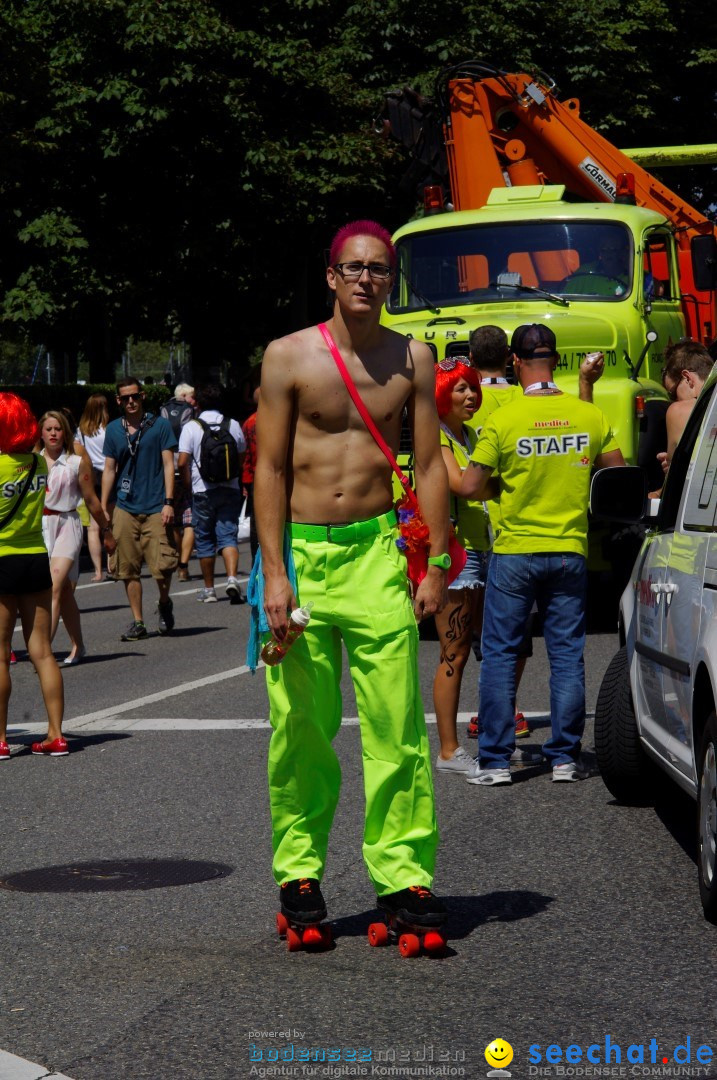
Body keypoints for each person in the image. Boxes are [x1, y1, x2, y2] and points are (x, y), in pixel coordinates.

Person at [254, 219, 449, 933]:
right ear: (331, 277)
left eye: (378, 270)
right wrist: (275, 576)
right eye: (354, 268)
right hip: (302, 557)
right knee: (301, 726)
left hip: (376, 555)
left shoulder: (413, 359)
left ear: (389, 281)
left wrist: (436, 566)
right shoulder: (287, 357)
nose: (366, 279)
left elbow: (427, 467)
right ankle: (299, 874)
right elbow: (269, 469)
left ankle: (402, 879)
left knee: (395, 726)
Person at [459, 323, 625, 785]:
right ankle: (565, 758)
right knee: (567, 655)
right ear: (556, 361)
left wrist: (505, 485)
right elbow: (617, 476)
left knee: (499, 654)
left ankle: (494, 761)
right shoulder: (587, 415)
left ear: (515, 363)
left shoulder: (505, 417)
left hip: (514, 551)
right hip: (569, 550)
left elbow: (471, 486)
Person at [432, 356, 491, 774]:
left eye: (473, 387)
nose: (471, 395)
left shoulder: (471, 434)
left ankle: (489, 736)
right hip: (457, 556)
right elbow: (460, 486)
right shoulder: (437, 439)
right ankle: (449, 750)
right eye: (460, 389)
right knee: (455, 650)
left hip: (487, 550)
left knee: (492, 647)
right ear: (442, 396)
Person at [0, 393, 67, 758]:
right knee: (42, 652)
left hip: (2, 559)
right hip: (35, 556)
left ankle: (1, 740)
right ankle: (56, 734)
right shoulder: (39, 465)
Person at [101, 378, 179, 641]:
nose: (130, 402)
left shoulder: (160, 426)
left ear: (143, 396)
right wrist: (103, 507)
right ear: (118, 401)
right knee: (127, 568)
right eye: (125, 398)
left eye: (134, 396)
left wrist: (169, 501)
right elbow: (109, 469)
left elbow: (169, 465)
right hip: (125, 506)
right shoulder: (113, 430)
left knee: (163, 565)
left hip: (157, 505)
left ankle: (165, 603)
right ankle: (138, 621)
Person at [38, 411, 115, 664]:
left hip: (68, 524)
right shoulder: (32, 462)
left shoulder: (75, 462)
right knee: (66, 594)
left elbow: (91, 500)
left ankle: (44, 654)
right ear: (41, 432)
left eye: (58, 429)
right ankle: (78, 645)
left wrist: (106, 530)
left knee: (54, 586)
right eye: (48, 429)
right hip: (40, 527)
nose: (53, 433)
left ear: (65, 433)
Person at [177, 383, 246, 603]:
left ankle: (209, 590)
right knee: (228, 535)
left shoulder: (191, 427)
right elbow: (242, 455)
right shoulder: (233, 424)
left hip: (202, 490)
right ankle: (232, 578)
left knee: (205, 539)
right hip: (230, 487)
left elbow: (182, 462)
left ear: (197, 403)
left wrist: (188, 485)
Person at [650, 341, 714, 496]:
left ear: (688, 378)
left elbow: (673, 483)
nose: (674, 401)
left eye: (672, 393)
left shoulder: (679, 410)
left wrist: (672, 464)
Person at [161, 383, 196, 581]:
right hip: (186, 470)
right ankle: (183, 566)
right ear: (183, 396)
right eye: (192, 397)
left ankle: (176, 559)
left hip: (167, 471)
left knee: (173, 522)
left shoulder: (164, 410)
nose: (194, 401)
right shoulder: (191, 413)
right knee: (190, 521)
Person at [76, 393, 111, 581]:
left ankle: (98, 571)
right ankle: (112, 566)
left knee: (93, 528)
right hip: (108, 478)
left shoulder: (80, 431)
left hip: (89, 478)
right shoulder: (110, 430)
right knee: (110, 523)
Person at [242, 387, 260, 565]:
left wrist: (245, 482)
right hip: (278, 475)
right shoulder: (277, 420)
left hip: (255, 477)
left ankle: (256, 557)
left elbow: (246, 454)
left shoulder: (249, 422)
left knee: (257, 520)